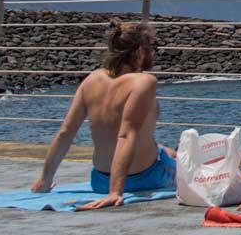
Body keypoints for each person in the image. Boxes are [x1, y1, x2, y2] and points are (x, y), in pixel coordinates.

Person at [28, 18, 174, 209]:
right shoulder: (143, 81)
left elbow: (66, 132)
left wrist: (45, 180)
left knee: (166, 150)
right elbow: (126, 134)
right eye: (150, 48)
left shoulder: (92, 79)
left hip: (99, 181)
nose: (152, 53)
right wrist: (115, 192)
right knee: (184, 162)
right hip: (144, 178)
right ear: (139, 52)